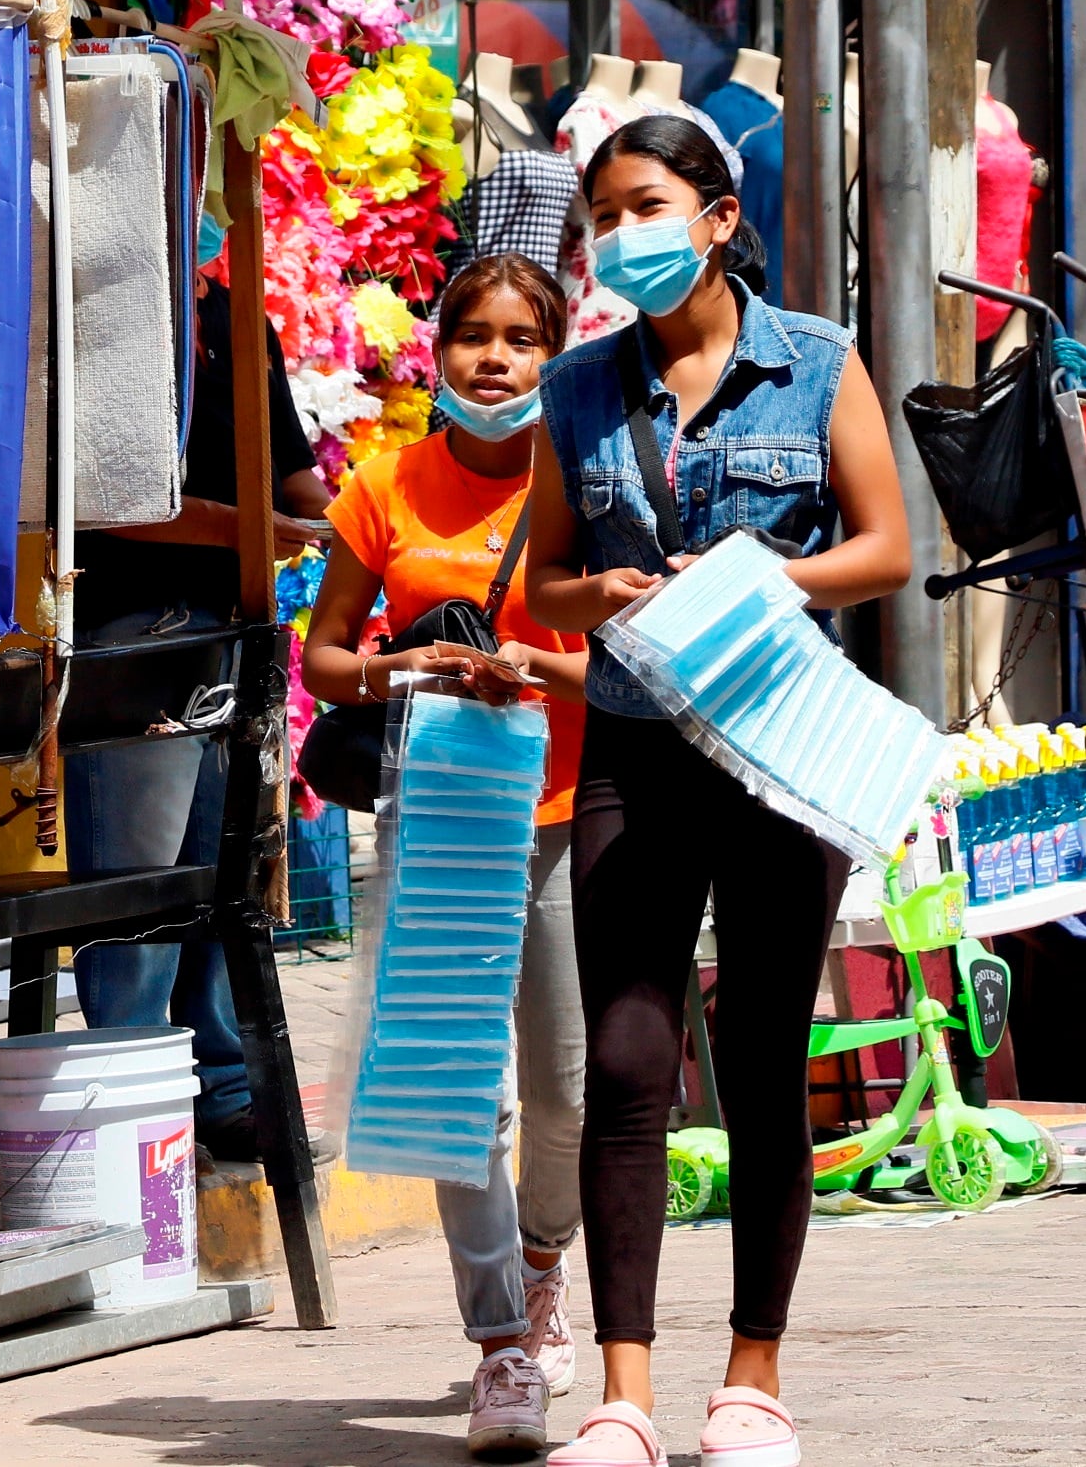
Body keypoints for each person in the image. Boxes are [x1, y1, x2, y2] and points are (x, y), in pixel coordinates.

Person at [525, 115, 912, 1467]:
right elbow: (542, 580)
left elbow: (885, 549)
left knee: (756, 1057)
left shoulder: (816, 365)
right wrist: (607, 592)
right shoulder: (577, 390)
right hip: (634, 745)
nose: (620, 237)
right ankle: (622, 1397)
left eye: (644, 206)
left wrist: (760, 579)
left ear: (718, 218)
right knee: (630, 1061)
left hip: (781, 754)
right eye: (602, 216)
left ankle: (753, 1375)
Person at [300, 255, 590, 1458]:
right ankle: (499, 1350)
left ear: (551, 354)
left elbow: (625, 648)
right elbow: (321, 659)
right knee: (454, 1092)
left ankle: (538, 1262)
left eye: (521, 340)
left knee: (568, 1092)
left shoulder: (586, 477)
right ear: (439, 348)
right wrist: (396, 668)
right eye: (473, 334)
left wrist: (533, 668)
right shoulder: (381, 488)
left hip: (569, 810)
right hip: (434, 817)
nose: (494, 359)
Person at [65, 251, 332, 1158]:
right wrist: (241, 526)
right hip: (135, 632)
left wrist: (343, 519)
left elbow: (292, 471)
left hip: (234, 630)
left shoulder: (239, 315)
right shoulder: (107, 306)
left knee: (224, 884)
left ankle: (223, 1092)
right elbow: (102, 498)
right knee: (137, 893)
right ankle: (133, 1110)